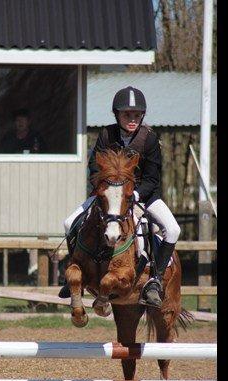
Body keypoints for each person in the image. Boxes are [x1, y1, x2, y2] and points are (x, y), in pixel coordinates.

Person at [58, 86, 181, 308]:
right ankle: (74, 270)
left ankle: (155, 280)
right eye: (127, 115)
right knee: (69, 223)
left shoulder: (149, 139)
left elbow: (153, 178)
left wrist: (133, 194)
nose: (132, 119)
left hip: (143, 196)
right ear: (117, 115)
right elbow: (94, 168)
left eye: (136, 115)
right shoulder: (106, 135)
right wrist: (106, 189)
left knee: (173, 229)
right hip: (108, 196)